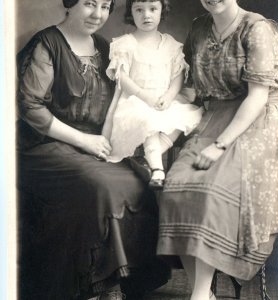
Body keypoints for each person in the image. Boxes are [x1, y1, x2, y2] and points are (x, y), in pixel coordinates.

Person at [17, 0, 170, 299]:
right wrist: (84, 140)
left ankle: (122, 281)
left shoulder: (103, 46)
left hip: (95, 144)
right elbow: (30, 107)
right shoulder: (47, 44)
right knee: (104, 186)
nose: (97, 14)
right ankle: (97, 282)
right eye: (89, 3)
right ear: (70, 4)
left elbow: (120, 101)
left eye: (104, 6)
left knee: (136, 178)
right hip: (42, 146)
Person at [157, 0, 278, 299]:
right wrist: (159, 114)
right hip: (212, 116)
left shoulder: (256, 28)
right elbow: (192, 88)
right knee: (176, 189)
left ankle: (199, 295)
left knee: (210, 190)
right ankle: (204, 294)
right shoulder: (199, 28)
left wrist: (219, 145)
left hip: (255, 120)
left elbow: (258, 97)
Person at [102, 0, 203, 189]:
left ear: (162, 10)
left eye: (152, 9)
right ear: (131, 13)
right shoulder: (125, 44)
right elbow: (121, 77)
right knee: (148, 120)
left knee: (189, 115)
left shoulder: (171, 45)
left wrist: (169, 96)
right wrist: (144, 96)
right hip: (135, 101)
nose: (146, 15)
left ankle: (148, 158)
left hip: (163, 100)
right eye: (139, 10)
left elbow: (177, 76)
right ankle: (157, 169)